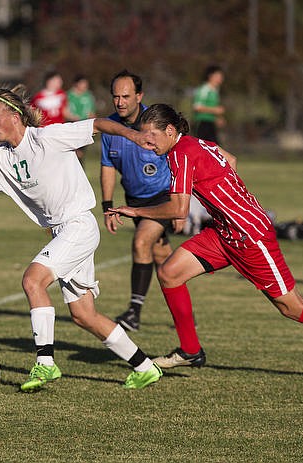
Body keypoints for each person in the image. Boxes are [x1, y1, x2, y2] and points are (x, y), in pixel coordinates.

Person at [107, 103, 303, 386]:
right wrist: (226, 202)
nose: (146, 143)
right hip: (224, 232)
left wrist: (136, 211)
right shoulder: (195, 143)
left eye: (151, 136)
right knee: (169, 273)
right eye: (143, 136)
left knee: (292, 307)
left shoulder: (181, 154)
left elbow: (179, 210)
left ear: (169, 130)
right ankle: (190, 350)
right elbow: (231, 160)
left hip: (250, 236)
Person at [0, 86, 163, 391]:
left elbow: (98, 124)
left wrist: (136, 136)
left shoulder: (48, 137)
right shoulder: (0, 160)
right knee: (83, 315)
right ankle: (144, 367)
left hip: (78, 224)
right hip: (63, 232)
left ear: (15, 115)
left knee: (32, 281)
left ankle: (45, 364)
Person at [101, 69, 180, 332]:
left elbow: (180, 160)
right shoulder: (110, 128)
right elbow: (108, 166)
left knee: (142, 242)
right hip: (134, 201)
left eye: (125, 96)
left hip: (163, 197)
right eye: (115, 96)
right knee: (163, 258)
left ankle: (133, 313)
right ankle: (183, 315)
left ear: (139, 96)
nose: (120, 102)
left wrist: (181, 207)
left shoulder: (156, 124)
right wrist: (107, 206)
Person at [66, 74, 97, 163]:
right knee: (73, 152)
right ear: (77, 84)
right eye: (83, 83)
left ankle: (80, 172)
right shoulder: (68, 95)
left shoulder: (88, 96)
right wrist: (74, 118)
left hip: (85, 126)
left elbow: (92, 112)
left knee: (81, 153)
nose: (85, 86)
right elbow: (65, 112)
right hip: (72, 126)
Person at [192, 65, 225, 144]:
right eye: (218, 76)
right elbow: (197, 107)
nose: (220, 78)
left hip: (210, 123)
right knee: (202, 147)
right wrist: (215, 110)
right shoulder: (204, 89)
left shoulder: (215, 91)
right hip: (202, 123)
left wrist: (218, 118)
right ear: (210, 76)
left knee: (214, 147)